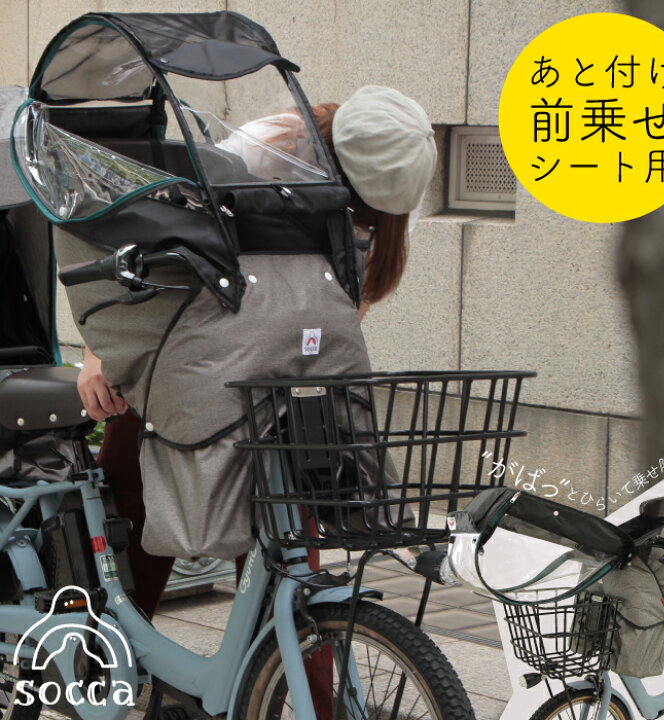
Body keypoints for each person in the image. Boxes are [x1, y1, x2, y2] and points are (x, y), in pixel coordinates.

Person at [77, 85, 437, 620]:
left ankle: (299, 684)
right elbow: (152, 243)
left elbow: (339, 308)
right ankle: (107, 656)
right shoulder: (267, 148)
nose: (362, 218)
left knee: (288, 553)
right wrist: (98, 350)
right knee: (130, 503)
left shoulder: (379, 196)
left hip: (284, 378)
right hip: (194, 347)